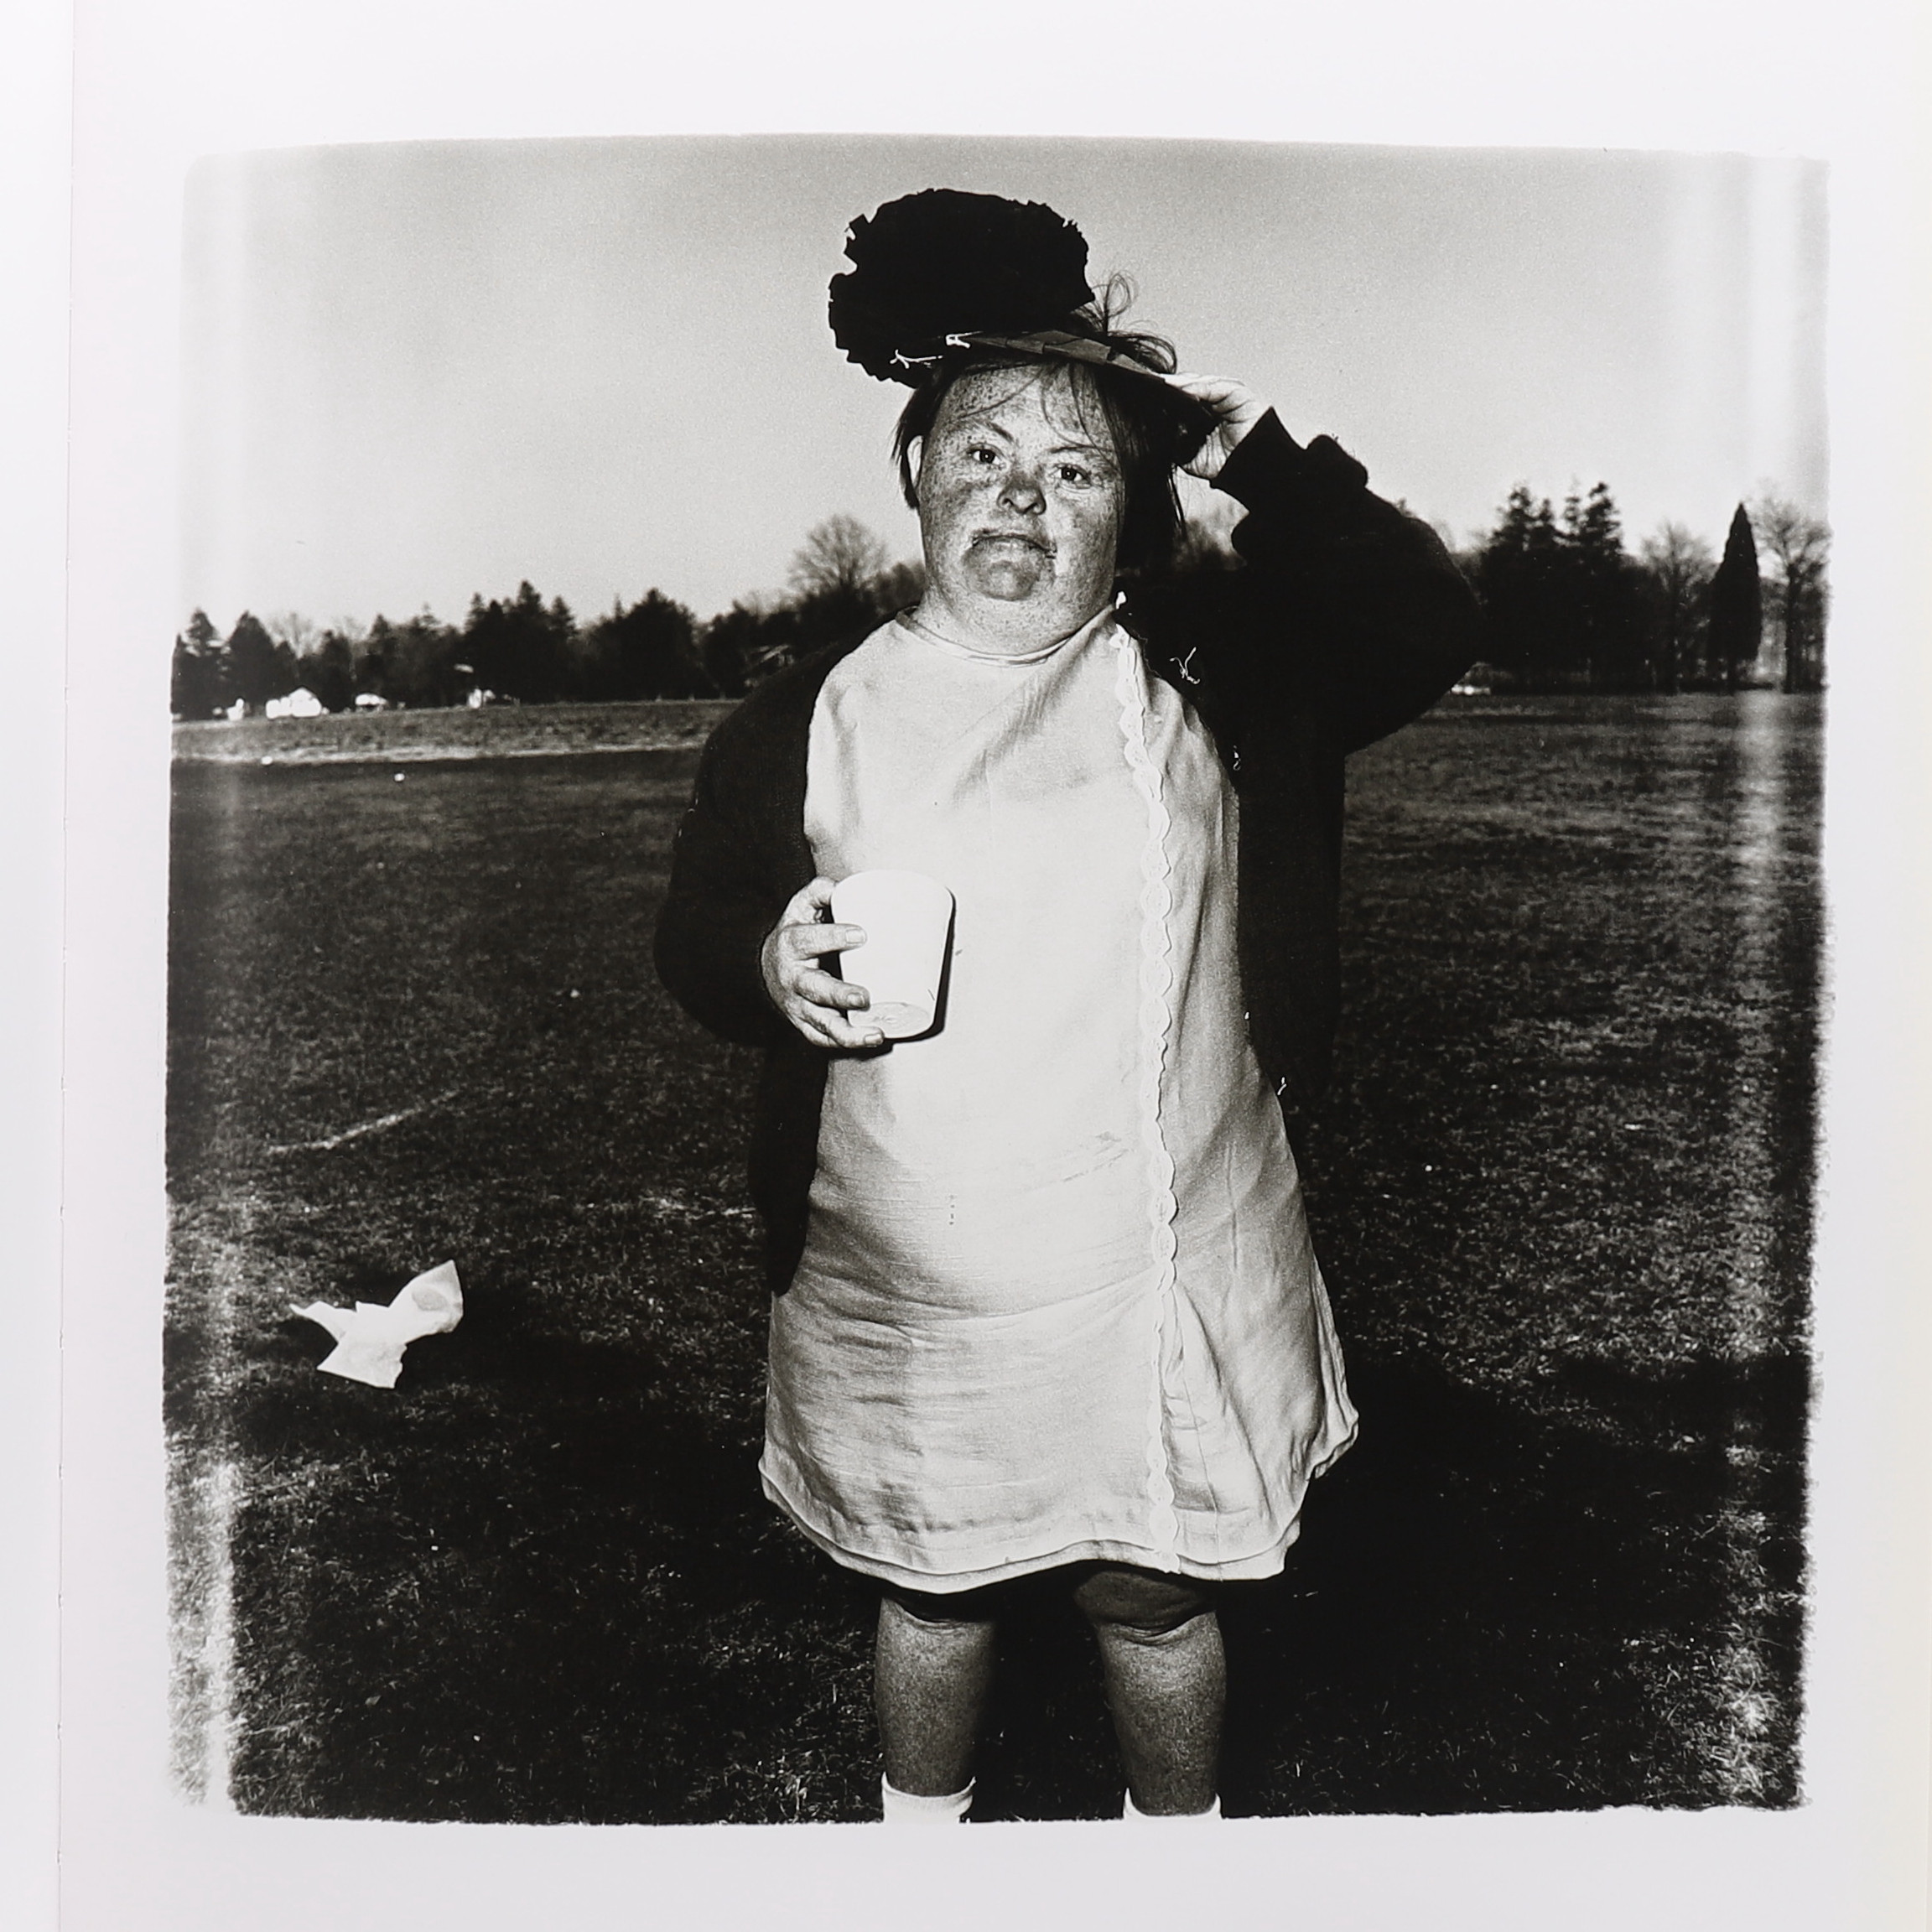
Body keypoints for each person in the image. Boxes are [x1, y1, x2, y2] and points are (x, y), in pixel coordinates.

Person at [654, 189, 1479, 1822]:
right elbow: (700, 927)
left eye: (1076, 467)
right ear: (915, 477)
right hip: (916, 1288)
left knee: (1153, 1598)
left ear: (1135, 511)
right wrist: (765, 965)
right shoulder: (805, 720)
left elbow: (1427, 616)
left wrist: (1254, 454)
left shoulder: (1219, 682)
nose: (1020, 495)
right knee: (934, 1594)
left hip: (1163, 1267)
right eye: (979, 453)